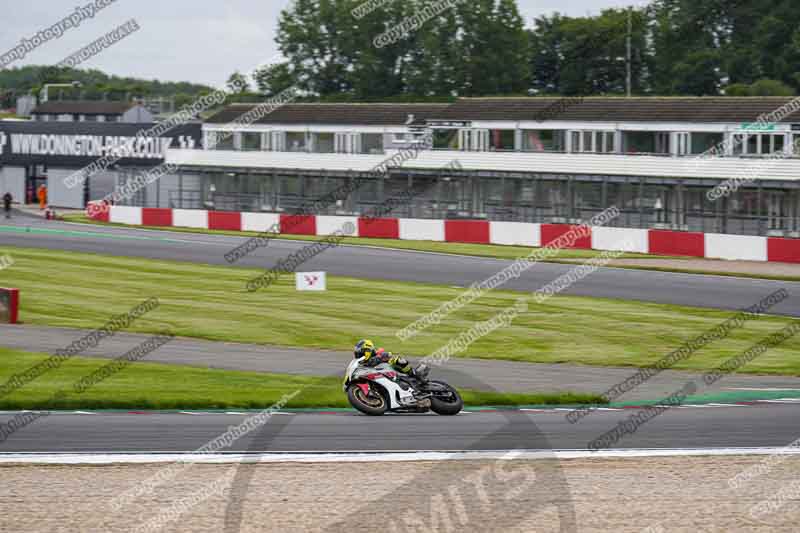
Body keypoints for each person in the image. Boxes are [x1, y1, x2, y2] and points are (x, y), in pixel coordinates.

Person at [353, 339, 420, 378]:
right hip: (378, 376)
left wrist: (383, 356)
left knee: (398, 360)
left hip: (391, 372)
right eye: (357, 353)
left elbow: (388, 354)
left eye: (360, 353)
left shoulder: (377, 354)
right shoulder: (361, 362)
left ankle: (415, 375)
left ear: (368, 350)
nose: (359, 355)